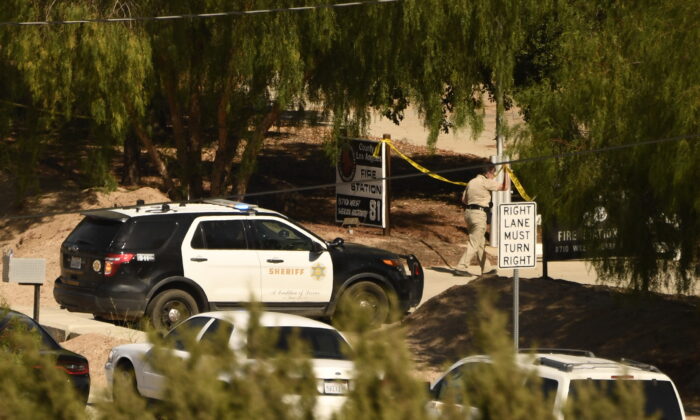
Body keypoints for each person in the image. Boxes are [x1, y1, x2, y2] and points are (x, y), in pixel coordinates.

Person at [454, 162, 510, 277]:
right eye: (493, 173)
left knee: (480, 242)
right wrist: (506, 172)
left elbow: (464, 199)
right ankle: (461, 267)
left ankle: (486, 268)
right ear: (489, 172)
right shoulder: (485, 182)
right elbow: (505, 187)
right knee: (474, 242)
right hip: (479, 215)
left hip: (468, 214)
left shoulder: (471, 182)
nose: (494, 175)